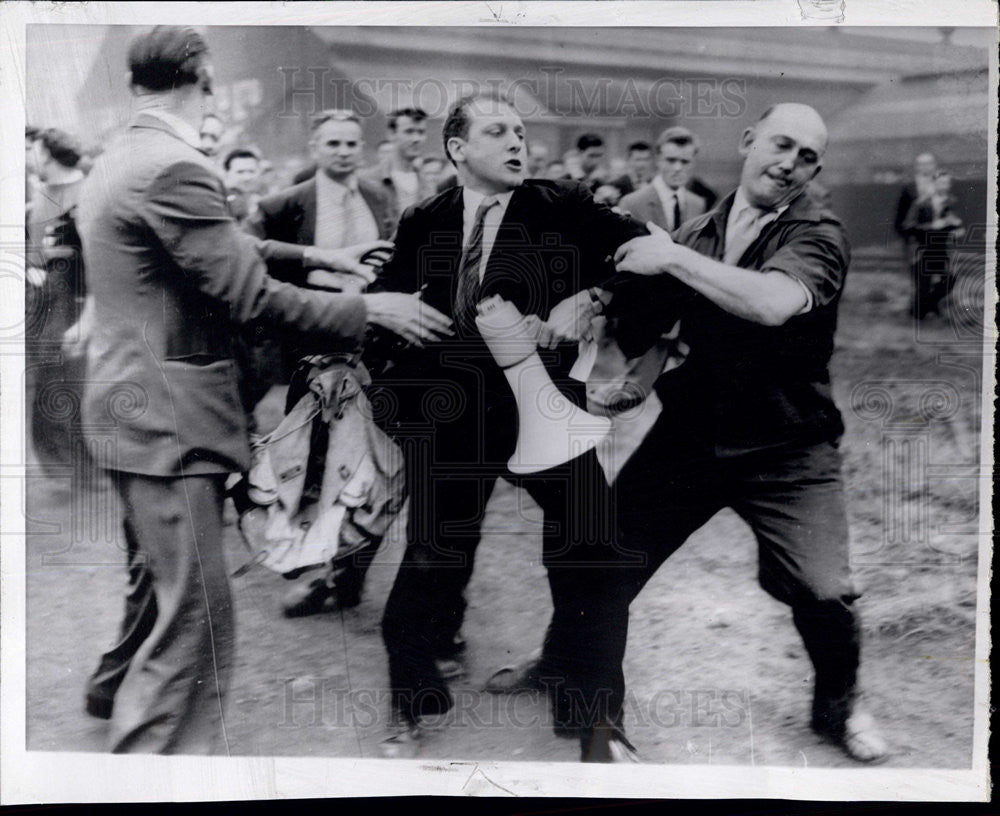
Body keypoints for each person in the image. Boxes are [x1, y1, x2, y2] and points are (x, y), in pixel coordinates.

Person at [75, 26, 451, 754]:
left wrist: (316, 252)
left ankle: (109, 685)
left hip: (130, 407)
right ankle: (146, 772)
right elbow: (250, 296)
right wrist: (371, 307)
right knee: (198, 622)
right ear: (203, 75)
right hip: (169, 420)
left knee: (157, 580)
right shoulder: (175, 166)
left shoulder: (127, 153)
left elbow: (219, 245)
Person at [369, 91, 674, 762]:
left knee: (589, 550)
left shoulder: (559, 204)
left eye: (521, 132)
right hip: (454, 418)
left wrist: (591, 297)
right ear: (457, 149)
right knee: (430, 559)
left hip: (544, 412)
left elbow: (652, 253)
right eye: (498, 131)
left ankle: (595, 717)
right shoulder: (425, 218)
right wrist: (391, 362)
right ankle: (412, 701)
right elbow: (385, 299)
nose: (517, 143)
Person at [608, 102, 888, 763]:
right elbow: (657, 328)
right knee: (599, 558)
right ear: (747, 141)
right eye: (780, 145)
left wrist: (671, 259)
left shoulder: (819, 232)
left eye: (807, 156)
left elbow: (769, 303)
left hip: (790, 448)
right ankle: (580, 682)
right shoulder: (701, 230)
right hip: (693, 438)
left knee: (825, 591)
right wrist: (623, 338)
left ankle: (839, 707)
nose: (789, 164)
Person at [246, 108, 398, 617]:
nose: (343, 152)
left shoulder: (380, 195)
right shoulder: (282, 205)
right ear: (314, 148)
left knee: (367, 463)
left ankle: (346, 577)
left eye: (351, 143)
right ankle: (316, 569)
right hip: (307, 352)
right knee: (310, 466)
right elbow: (259, 272)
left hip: (371, 347)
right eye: (332, 143)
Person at [25, 127, 88, 473]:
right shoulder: (38, 197)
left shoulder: (88, 190)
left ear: (47, 154)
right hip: (45, 308)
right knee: (50, 384)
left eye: (32, 150)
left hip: (80, 303)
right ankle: (64, 467)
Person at [619, 126, 708, 232]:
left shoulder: (697, 204)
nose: (678, 168)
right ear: (658, 160)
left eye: (685, 161)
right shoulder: (632, 203)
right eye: (671, 160)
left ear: (693, 163)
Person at [901, 168, 964, 318]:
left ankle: (928, 304)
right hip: (922, 249)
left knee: (950, 279)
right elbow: (908, 226)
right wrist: (932, 226)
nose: (945, 186)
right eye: (941, 182)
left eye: (947, 183)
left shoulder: (952, 202)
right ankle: (922, 309)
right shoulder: (921, 203)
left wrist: (958, 230)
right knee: (923, 287)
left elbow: (959, 225)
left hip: (942, 249)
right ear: (934, 183)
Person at [360, 107, 434, 215]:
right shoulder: (369, 180)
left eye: (421, 132)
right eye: (409, 131)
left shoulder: (428, 185)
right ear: (391, 134)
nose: (416, 139)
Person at [222, 148, 262, 225]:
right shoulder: (221, 201)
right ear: (227, 172)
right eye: (240, 172)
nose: (247, 177)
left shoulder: (259, 198)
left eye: (251, 171)